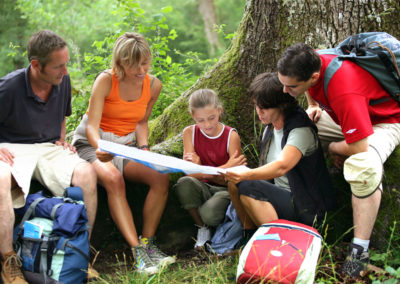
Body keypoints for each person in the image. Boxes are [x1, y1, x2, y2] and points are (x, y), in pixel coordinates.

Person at [277, 42, 400, 277]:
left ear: (313, 77)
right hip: (347, 119)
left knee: (364, 166)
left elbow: (359, 146)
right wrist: (313, 106)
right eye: (283, 83)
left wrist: (334, 147)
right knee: (295, 127)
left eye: (291, 86)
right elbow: (314, 93)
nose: (285, 91)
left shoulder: (344, 87)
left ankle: (359, 254)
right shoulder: (315, 60)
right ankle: (300, 210)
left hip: (384, 122)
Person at [0, 30, 98, 284]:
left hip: (48, 147)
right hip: (11, 148)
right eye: (58, 66)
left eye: (65, 64)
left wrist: (62, 138)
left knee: (87, 173)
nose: (65, 72)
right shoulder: (9, 87)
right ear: (35, 65)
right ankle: (8, 264)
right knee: (0, 181)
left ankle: (78, 253)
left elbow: (63, 114)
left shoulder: (61, 79)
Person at [72, 32, 174, 274]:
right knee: (114, 180)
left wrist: (145, 148)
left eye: (145, 62)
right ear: (120, 62)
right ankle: (137, 251)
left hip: (126, 146)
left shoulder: (153, 84)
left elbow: (141, 122)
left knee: (160, 177)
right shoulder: (106, 80)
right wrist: (100, 148)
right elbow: (92, 126)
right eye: (133, 64)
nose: (141, 69)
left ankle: (149, 245)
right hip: (93, 143)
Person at [223, 72, 335, 244]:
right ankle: (249, 237)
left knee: (247, 186)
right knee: (234, 184)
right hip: (282, 197)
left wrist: (246, 175)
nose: (259, 112)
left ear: (282, 105)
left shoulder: (300, 129)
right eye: (256, 106)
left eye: (264, 108)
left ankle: (278, 245)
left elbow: (282, 166)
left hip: (306, 204)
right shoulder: (271, 126)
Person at [173, 89, 247, 249]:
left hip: (225, 191)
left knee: (209, 214)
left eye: (212, 118)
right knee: (184, 183)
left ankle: (220, 229)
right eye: (201, 120)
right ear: (193, 116)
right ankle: (203, 229)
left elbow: (232, 177)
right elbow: (189, 172)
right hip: (203, 187)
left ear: (219, 111)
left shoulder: (231, 136)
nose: (207, 124)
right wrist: (224, 168)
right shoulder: (189, 133)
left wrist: (200, 169)